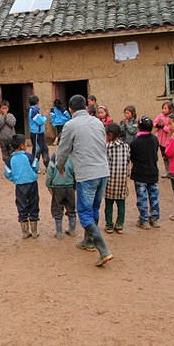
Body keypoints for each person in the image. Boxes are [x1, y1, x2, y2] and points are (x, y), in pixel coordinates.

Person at [54, 95, 114, 267]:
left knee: (84, 212)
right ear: (86, 107)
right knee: (94, 208)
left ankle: (103, 249)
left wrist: (59, 166)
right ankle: (88, 241)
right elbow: (102, 145)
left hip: (87, 174)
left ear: (70, 110)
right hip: (103, 171)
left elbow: (63, 149)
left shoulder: (70, 125)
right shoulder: (97, 122)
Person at [5, 134, 39, 238]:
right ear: (22, 146)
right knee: (34, 204)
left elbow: (8, 174)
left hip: (19, 186)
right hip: (32, 184)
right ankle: (34, 232)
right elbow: (36, 167)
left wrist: (15, 179)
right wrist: (32, 175)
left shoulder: (10, 159)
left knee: (21, 206)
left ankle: (25, 232)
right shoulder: (29, 156)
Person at [130, 116, 160, 229]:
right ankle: (155, 218)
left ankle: (144, 220)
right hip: (152, 172)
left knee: (142, 198)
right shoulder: (154, 139)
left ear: (139, 127)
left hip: (140, 174)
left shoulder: (135, 142)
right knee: (154, 197)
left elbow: (132, 158)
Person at [104, 123, 130, 234]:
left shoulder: (107, 147)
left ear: (110, 135)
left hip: (110, 181)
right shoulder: (126, 146)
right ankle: (120, 224)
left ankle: (109, 225)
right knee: (121, 204)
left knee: (108, 205)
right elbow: (128, 160)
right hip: (122, 180)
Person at [46, 153, 77, 239]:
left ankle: (59, 232)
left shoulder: (54, 156)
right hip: (70, 186)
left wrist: (48, 185)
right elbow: (75, 172)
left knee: (57, 209)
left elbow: (50, 171)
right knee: (71, 208)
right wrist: (75, 185)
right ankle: (72, 230)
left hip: (57, 187)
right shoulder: (71, 156)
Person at [154, 101, 174, 177]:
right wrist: (158, 125)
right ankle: (168, 172)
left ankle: (173, 171)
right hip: (161, 141)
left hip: (168, 141)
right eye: (163, 108)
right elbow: (154, 123)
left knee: (170, 157)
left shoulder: (172, 118)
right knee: (164, 157)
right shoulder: (160, 115)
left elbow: (170, 130)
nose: (163, 110)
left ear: (170, 110)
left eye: (165, 108)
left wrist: (163, 126)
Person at [27, 95, 49, 169]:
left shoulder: (36, 110)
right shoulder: (33, 111)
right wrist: (45, 116)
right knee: (37, 150)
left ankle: (47, 166)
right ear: (37, 102)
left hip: (40, 133)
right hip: (36, 133)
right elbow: (40, 121)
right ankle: (34, 166)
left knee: (44, 149)